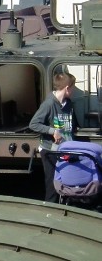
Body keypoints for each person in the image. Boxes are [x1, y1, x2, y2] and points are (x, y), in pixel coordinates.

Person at [30, 72, 77, 203]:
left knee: (68, 184)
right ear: (67, 88)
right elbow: (33, 124)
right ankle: (50, 212)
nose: (73, 90)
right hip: (50, 151)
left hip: (65, 150)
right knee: (52, 185)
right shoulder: (49, 104)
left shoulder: (69, 105)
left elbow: (72, 126)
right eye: (73, 87)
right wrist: (52, 131)